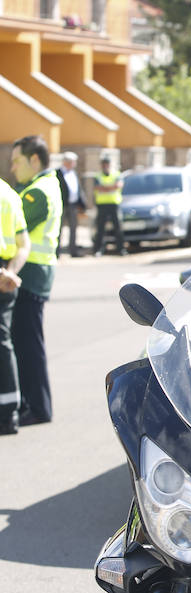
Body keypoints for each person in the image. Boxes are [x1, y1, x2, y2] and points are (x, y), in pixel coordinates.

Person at [9, 135, 62, 425]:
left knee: (28, 346)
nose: (13, 168)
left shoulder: (37, 193)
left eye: (17, 161)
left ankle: (38, 408)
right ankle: (34, 404)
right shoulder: (42, 185)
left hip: (30, 275)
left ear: (34, 160)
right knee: (27, 344)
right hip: (34, 275)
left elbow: (11, 230)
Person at [0, 178, 30, 434]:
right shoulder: (8, 194)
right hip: (6, 273)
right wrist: (10, 272)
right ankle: (10, 412)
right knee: (3, 341)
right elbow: (24, 244)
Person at [92, 156, 126, 256]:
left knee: (118, 228)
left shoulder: (116, 174)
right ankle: (99, 249)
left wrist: (105, 188)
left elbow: (118, 186)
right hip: (102, 205)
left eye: (107, 164)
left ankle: (120, 249)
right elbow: (97, 188)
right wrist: (111, 188)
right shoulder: (98, 176)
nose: (105, 166)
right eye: (104, 164)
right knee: (100, 229)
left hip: (114, 204)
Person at [56, 151, 86, 257]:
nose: (74, 164)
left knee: (73, 228)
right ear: (66, 162)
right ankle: (57, 252)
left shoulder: (73, 173)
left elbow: (78, 188)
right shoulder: (57, 173)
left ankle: (73, 250)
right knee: (58, 229)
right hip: (62, 205)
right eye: (73, 162)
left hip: (73, 205)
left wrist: (82, 202)